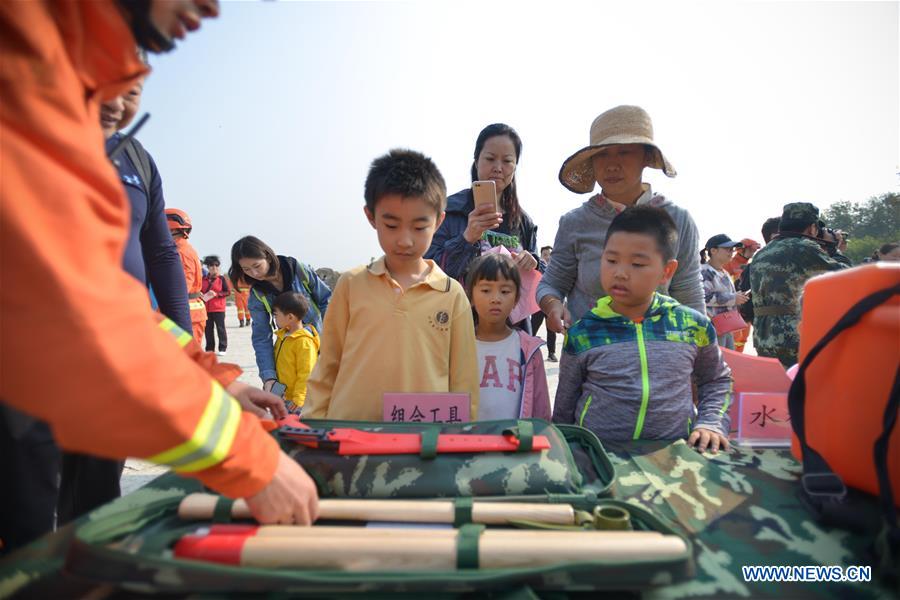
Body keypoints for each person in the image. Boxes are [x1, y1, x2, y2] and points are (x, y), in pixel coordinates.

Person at [0, 0, 319, 554]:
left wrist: (215, 384)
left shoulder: (84, 114)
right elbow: (67, 306)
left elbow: (115, 308)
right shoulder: (21, 64)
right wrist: (248, 460)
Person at [56, 60, 195, 526]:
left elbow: (161, 254)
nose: (118, 102)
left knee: (97, 489)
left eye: (133, 92)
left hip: (116, 353)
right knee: (24, 495)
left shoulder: (137, 158)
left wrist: (180, 343)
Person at [303, 149, 480, 420]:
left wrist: (460, 442)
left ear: (439, 220)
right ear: (371, 216)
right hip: (349, 437)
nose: (405, 240)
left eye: (419, 227)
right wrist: (313, 427)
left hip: (424, 443)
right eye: (391, 225)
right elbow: (328, 365)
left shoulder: (451, 294)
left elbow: (464, 382)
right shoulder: (351, 285)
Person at [553, 206, 733, 452]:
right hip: (600, 459)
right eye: (611, 260)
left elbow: (716, 380)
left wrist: (711, 422)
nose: (620, 273)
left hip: (676, 457)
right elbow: (564, 407)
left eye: (637, 264)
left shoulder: (692, 326)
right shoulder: (583, 333)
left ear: (666, 271)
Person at [538, 105, 705, 337]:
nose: (612, 164)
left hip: (661, 360)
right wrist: (552, 305)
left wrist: (702, 354)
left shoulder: (678, 220)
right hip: (591, 358)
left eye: (624, 152)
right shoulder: (575, 222)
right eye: (602, 154)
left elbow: (689, 296)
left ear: (646, 156)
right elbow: (551, 283)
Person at [425, 123, 540, 328]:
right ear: (476, 160)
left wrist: (533, 262)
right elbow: (428, 271)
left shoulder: (523, 221)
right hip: (460, 329)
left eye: (507, 161)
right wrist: (466, 238)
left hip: (512, 334)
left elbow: (541, 279)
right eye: (490, 159)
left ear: (515, 167)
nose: (498, 167)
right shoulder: (448, 210)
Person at [750, 203, 849, 367]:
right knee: (806, 389)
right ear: (811, 228)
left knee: (780, 389)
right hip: (793, 337)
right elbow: (846, 276)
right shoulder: (803, 247)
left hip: (764, 337)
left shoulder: (762, 253)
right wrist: (835, 248)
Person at [228, 236, 331, 392]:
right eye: (246, 269)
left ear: (268, 257)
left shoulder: (299, 271)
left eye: (257, 266)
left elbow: (326, 301)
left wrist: (332, 341)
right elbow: (262, 336)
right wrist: (269, 376)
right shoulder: (257, 294)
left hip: (324, 348)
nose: (254, 273)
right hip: (293, 355)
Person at [466, 254, 550, 420]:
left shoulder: (527, 350)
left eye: (505, 291)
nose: (496, 299)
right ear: (471, 297)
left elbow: (542, 409)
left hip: (514, 443)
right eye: (485, 290)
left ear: (516, 298)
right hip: (468, 442)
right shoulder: (458, 344)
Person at [272, 292, 321, 413]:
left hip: (296, 401)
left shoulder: (304, 342)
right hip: (283, 395)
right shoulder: (283, 335)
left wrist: (299, 398)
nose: (275, 318)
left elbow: (306, 372)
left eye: (276, 315)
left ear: (290, 317)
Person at [700, 234, 750, 350]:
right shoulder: (704, 271)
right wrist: (733, 298)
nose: (731, 252)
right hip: (713, 327)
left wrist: (738, 298)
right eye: (727, 249)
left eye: (732, 249)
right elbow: (704, 297)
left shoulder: (724, 272)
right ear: (713, 251)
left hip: (725, 327)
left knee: (727, 362)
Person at [166, 208, 207, 344]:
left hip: (184, 314)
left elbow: (182, 287)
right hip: (185, 312)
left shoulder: (181, 253)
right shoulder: (183, 250)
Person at [530, 246, 558, 361]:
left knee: (551, 329)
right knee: (532, 328)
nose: (548, 257)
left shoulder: (556, 270)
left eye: (550, 254)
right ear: (541, 256)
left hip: (550, 304)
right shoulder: (536, 267)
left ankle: (551, 353)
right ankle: (528, 350)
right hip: (537, 304)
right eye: (545, 254)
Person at [202, 255, 231, 355]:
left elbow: (227, 292)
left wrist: (217, 294)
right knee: (208, 330)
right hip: (206, 309)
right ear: (208, 267)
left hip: (218, 308)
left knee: (220, 328)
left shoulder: (221, 279)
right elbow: (199, 291)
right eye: (211, 266)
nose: (214, 268)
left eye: (216, 265)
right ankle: (209, 349)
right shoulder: (203, 279)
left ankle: (222, 348)